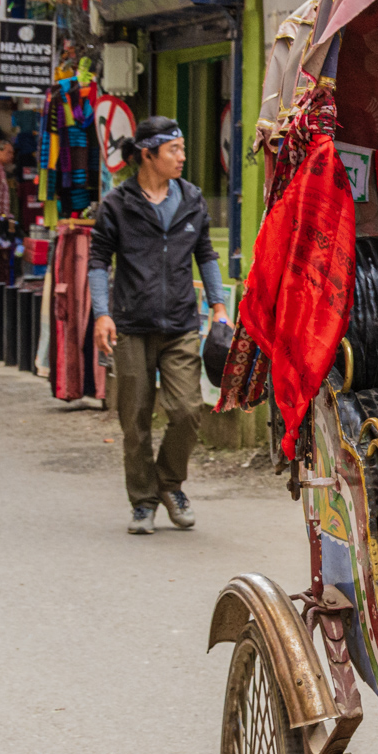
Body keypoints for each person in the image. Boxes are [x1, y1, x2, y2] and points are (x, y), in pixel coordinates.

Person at [89, 116, 229, 534]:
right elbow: (98, 261)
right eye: (175, 150)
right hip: (131, 323)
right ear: (148, 154)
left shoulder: (192, 199)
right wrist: (102, 313)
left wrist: (218, 305)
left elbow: (205, 253)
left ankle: (169, 483)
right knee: (134, 419)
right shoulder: (118, 203)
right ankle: (143, 502)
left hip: (182, 321)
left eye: (182, 149)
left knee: (187, 411)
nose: (183, 157)